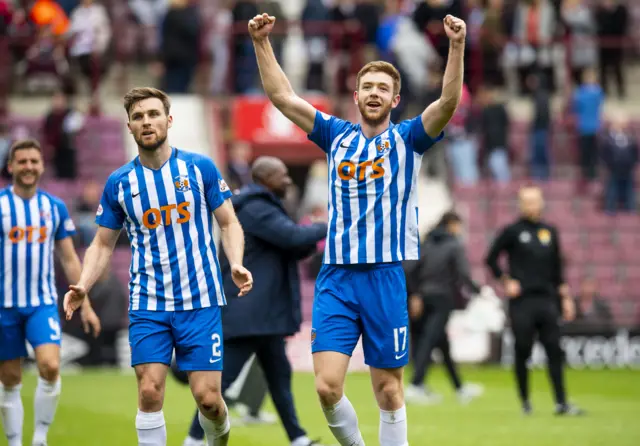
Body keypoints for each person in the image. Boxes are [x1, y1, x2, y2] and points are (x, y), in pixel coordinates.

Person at [249, 11, 466, 446]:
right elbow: (282, 96)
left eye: (383, 88)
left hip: (386, 276)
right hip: (338, 276)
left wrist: (456, 47)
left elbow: (446, 104)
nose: (374, 93)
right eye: (367, 86)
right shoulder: (335, 135)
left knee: (388, 389)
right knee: (327, 386)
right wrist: (261, 42)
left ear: (395, 98)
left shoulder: (408, 139)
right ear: (356, 95)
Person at [62, 87, 253, 446]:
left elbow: (228, 222)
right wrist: (84, 284)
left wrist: (236, 263)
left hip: (200, 300)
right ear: (130, 127)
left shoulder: (199, 168)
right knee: (149, 392)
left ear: (168, 120)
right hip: (149, 303)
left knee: (209, 400)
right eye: (138, 117)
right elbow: (103, 242)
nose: (146, 121)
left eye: (152, 114)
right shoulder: (120, 183)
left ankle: (219, 438)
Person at [183, 156, 328, 446]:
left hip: (263, 315)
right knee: (220, 385)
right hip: (248, 312)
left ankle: (298, 438)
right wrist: (329, 226)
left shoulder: (260, 206)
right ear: (265, 178)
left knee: (279, 380)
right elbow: (290, 236)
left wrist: (307, 239)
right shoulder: (256, 208)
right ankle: (194, 440)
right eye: (283, 174)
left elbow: (289, 247)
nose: (288, 180)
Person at [0, 138, 101, 446]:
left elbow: (70, 258)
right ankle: (15, 441)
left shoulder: (53, 207)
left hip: (41, 304)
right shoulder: (1, 205)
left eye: (34, 161)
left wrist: (86, 305)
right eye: (23, 161)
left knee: (51, 365)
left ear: (42, 166)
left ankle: (40, 437)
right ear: (11, 166)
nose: (29, 166)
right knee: (10, 380)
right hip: (4, 306)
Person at [485, 186, 584, 416]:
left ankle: (561, 402)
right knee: (522, 349)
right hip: (522, 302)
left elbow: (558, 269)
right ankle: (525, 402)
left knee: (554, 350)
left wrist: (566, 298)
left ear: (541, 203)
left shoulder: (550, 232)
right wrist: (505, 280)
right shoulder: (512, 231)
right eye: (526, 201)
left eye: (534, 201)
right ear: (520, 205)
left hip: (547, 299)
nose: (530, 206)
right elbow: (490, 259)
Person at [404, 211, 484, 405]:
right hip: (442, 298)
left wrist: (414, 294)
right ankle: (416, 384)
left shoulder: (425, 243)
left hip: (422, 298)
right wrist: (478, 291)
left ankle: (459, 387)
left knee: (441, 344)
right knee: (429, 341)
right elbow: (463, 273)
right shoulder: (453, 245)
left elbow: (408, 269)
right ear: (452, 224)